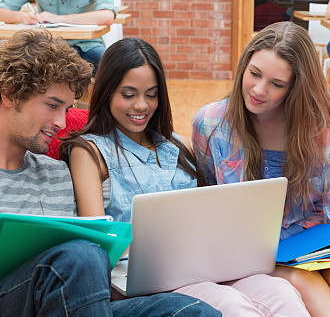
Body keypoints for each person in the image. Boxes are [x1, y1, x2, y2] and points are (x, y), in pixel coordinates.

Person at [0, 29, 219, 317]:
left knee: (191, 311)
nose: (63, 124)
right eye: (52, 105)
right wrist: (47, 268)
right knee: (78, 257)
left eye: (67, 109)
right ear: (9, 93)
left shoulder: (59, 173)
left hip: (72, 305)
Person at [61, 38, 310, 317]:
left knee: (281, 293)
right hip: (145, 281)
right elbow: (100, 244)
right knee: (230, 304)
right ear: (106, 92)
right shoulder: (90, 152)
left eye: (151, 94)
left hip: (205, 264)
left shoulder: (175, 145)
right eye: (128, 94)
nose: (141, 105)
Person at [192, 21, 330, 317]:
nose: (258, 89)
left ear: (295, 88)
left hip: (314, 248)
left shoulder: (320, 136)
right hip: (253, 255)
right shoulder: (212, 123)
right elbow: (204, 194)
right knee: (308, 287)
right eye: (254, 74)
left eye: (276, 84)